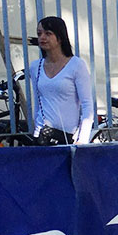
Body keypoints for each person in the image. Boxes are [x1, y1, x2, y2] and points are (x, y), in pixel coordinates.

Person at [30, 16, 94, 145]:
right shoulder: (35, 67)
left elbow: (87, 104)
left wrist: (82, 139)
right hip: (42, 135)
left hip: (67, 137)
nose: (42, 38)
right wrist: (36, 130)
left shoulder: (76, 65)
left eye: (48, 34)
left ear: (59, 37)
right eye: (39, 34)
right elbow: (38, 102)